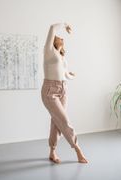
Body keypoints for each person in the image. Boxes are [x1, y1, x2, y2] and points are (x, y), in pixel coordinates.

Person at [41, 23, 88, 164]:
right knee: (64, 121)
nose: (60, 37)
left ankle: (52, 151)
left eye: (62, 37)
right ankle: (78, 149)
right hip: (50, 90)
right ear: (53, 41)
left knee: (57, 121)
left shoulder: (61, 57)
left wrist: (71, 75)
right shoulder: (49, 51)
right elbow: (52, 27)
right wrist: (66, 25)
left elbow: (65, 74)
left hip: (63, 89)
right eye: (58, 37)